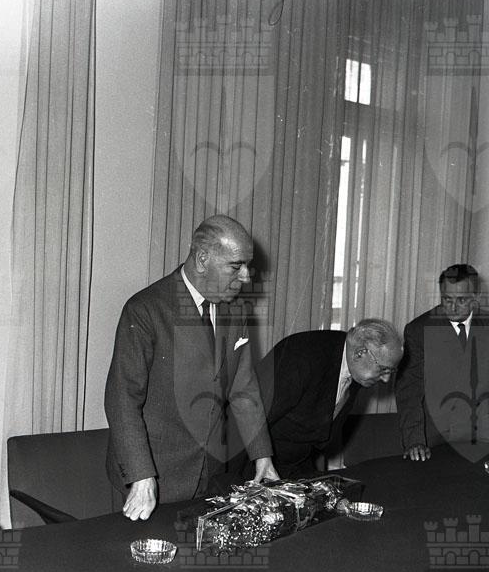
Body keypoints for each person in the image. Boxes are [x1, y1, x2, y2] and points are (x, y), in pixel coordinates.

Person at [105, 215, 278, 521]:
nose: (246, 277)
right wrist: (141, 476)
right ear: (202, 260)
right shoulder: (145, 309)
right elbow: (122, 399)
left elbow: (243, 388)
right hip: (153, 478)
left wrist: (262, 456)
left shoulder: (236, 310)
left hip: (210, 473)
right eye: (236, 266)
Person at [255, 319, 403, 478]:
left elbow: (320, 432)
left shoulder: (356, 366)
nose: (386, 379)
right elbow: (252, 409)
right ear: (360, 353)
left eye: (391, 372)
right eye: (383, 370)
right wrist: (261, 459)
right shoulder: (301, 355)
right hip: (253, 460)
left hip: (294, 464)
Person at [396, 264, 489, 461]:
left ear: (476, 297)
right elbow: (409, 391)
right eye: (447, 299)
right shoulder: (418, 330)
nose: (453, 308)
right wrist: (414, 441)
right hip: (432, 440)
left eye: (461, 300)